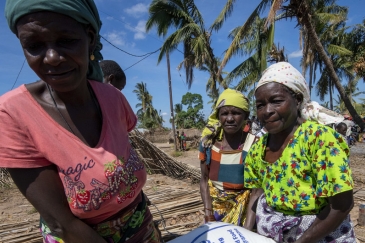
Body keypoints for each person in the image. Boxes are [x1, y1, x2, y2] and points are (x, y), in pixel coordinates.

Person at [1, 1, 160, 242]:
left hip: (139, 225)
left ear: (91, 39)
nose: (52, 58)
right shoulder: (14, 114)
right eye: (34, 46)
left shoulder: (113, 99)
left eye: (66, 40)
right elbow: (61, 223)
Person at [243, 62, 355, 242]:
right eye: (260, 105)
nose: (267, 111)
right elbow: (257, 192)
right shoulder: (259, 147)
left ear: (297, 100)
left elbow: (342, 205)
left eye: (276, 101)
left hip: (318, 234)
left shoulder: (319, 139)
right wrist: (245, 234)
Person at [199, 89, 256, 226]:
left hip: (246, 213)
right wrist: (209, 214)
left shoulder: (254, 144)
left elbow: (256, 190)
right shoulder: (208, 144)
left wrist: (247, 230)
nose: (230, 119)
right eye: (224, 113)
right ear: (218, 116)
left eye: (236, 113)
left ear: (246, 116)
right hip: (215, 211)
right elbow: (204, 180)